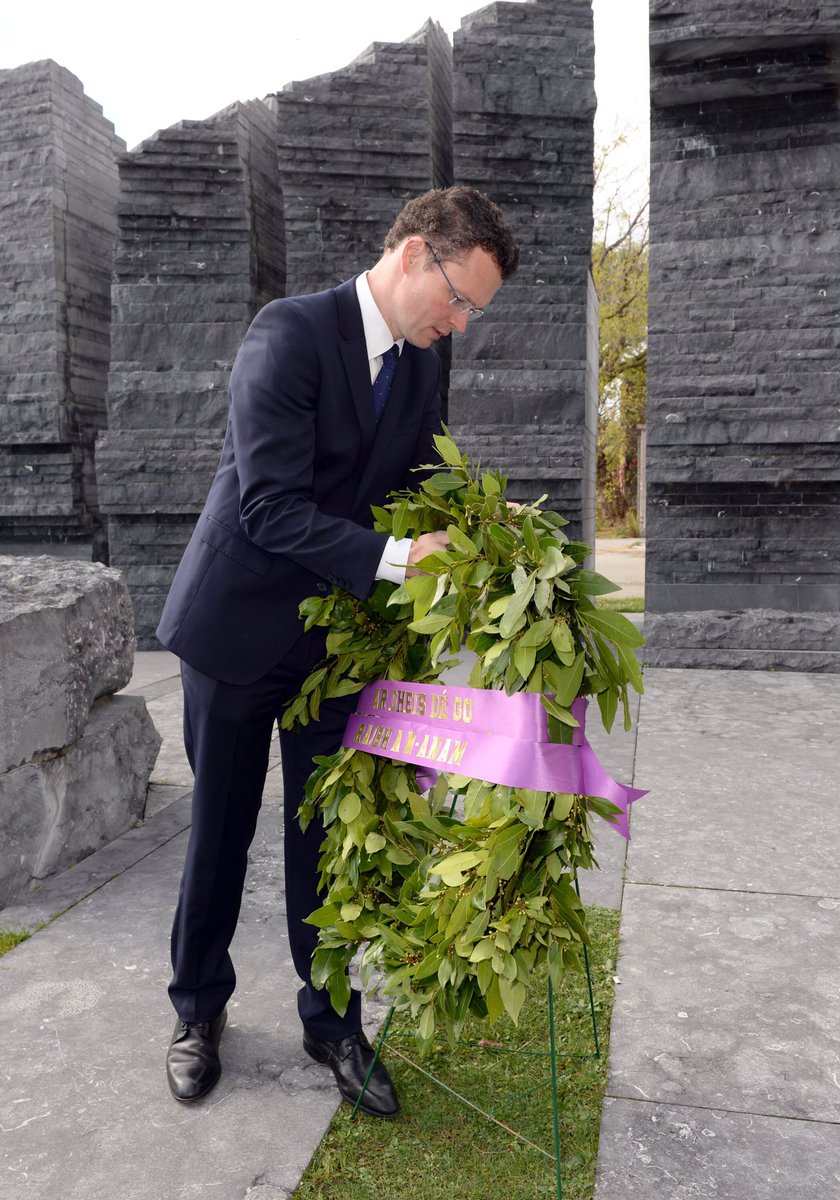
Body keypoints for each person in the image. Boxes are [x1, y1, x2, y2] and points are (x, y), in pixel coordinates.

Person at [156, 186, 519, 1117]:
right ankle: (198, 1011)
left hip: (334, 642)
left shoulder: (426, 362)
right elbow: (268, 507)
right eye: (460, 298)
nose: (462, 320)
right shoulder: (288, 334)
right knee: (221, 835)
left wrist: (487, 526)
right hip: (235, 631)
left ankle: (332, 1020)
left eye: (476, 309)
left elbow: (422, 475)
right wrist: (402, 558)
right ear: (413, 257)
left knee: (327, 841)